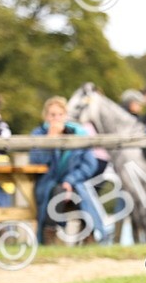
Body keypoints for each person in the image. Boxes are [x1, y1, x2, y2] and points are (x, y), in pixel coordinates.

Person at [30, 96, 108, 245]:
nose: (56, 119)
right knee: (57, 192)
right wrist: (50, 141)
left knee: (81, 195)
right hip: (48, 183)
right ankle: (49, 235)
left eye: (60, 114)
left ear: (65, 115)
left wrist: (70, 181)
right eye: (52, 115)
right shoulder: (39, 134)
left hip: (75, 183)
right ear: (46, 116)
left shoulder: (78, 133)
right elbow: (36, 161)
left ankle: (89, 235)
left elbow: (89, 164)